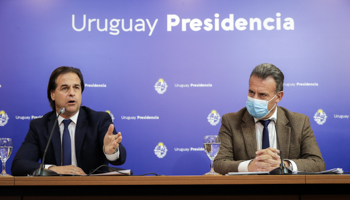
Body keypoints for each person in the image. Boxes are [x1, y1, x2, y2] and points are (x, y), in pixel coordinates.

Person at [11, 66, 126, 176]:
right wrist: (53, 169)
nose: (72, 93)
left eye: (76, 87)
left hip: (92, 192)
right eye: (65, 88)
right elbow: (19, 165)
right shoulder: (40, 126)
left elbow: (120, 159)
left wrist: (111, 152)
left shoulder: (98, 120)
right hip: (53, 193)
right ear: (53, 94)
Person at [213, 63, 325, 174]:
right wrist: (249, 166)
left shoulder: (299, 122)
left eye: (262, 94)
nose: (254, 99)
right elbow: (219, 163)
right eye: (251, 92)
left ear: (278, 97)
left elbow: (317, 163)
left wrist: (284, 165)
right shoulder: (231, 121)